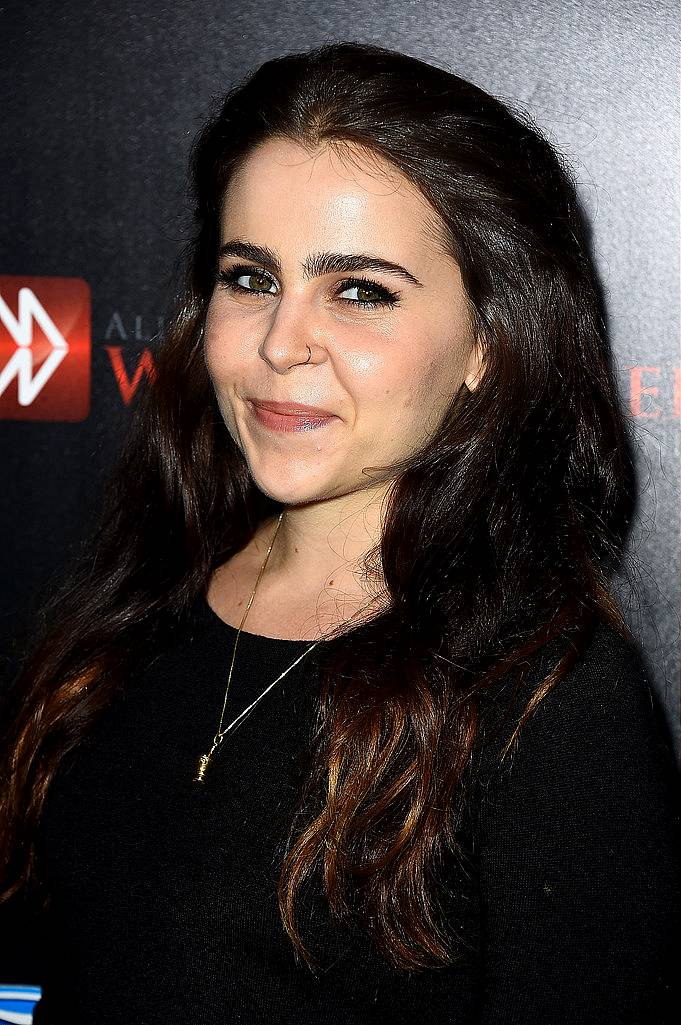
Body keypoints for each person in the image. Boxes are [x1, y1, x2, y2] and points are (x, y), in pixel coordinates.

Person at [0, 39, 679, 1025]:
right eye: (250, 277)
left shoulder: (546, 692)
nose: (282, 342)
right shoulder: (144, 597)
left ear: (487, 340)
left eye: (359, 290)